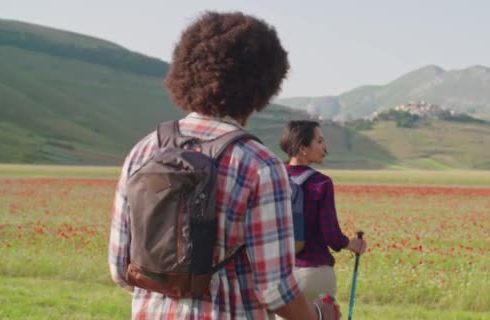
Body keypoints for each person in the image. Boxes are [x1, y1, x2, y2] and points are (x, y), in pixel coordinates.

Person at [108, 11, 339, 320]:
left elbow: (121, 269)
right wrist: (319, 315)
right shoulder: (259, 164)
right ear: (263, 85)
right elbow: (274, 290)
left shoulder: (145, 150)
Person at [278, 120, 367, 302]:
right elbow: (332, 236)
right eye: (319, 141)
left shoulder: (273, 177)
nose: (324, 147)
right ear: (303, 148)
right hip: (313, 274)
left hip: (278, 276)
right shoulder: (321, 183)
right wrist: (351, 244)